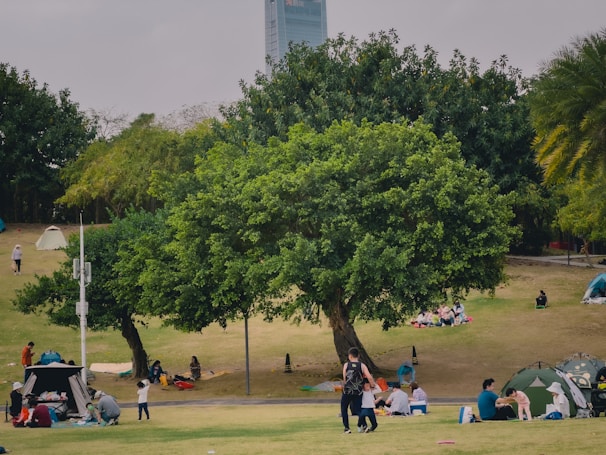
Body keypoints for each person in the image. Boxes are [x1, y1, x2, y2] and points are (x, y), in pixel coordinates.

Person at [340, 347, 375, 434]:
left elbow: (344, 378)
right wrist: (372, 385)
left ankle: (347, 428)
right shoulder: (362, 365)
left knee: (344, 409)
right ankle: (364, 425)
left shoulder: (346, 365)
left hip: (347, 391)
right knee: (359, 410)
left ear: (350, 356)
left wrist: (345, 386)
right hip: (358, 391)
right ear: (358, 356)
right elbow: (369, 377)